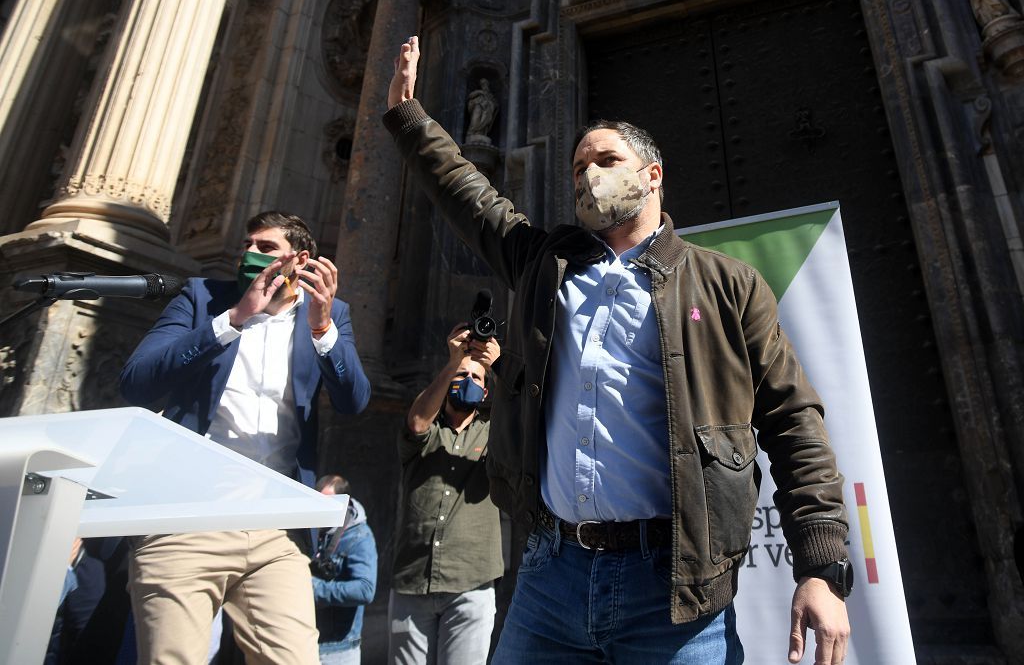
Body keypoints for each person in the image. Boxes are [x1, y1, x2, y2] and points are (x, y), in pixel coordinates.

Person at [383, 36, 852, 664]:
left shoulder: (725, 284)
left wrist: (821, 566)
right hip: (550, 579)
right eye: (578, 168)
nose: (587, 175)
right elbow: (468, 196)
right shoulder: (544, 265)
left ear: (651, 174)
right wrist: (408, 116)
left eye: (604, 159)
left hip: (676, 596)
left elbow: (794, 423)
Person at [119, 211, 371, 664]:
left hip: (275, 529)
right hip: (187, 518)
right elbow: (137, 380)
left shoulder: (333, 316)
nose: (250, 254)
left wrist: (322, 328)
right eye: (247, 245)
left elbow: (354, 400)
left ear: (300, 259)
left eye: (266, 247)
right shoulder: (202, 298)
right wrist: (234, 318)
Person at [389, 323, 503, 665]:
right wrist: (454, 360)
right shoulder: (426, 432)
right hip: (413, 580)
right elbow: (418, 423)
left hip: (470, 581)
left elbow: (527, 418)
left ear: (485, 393)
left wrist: (499, 367)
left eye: (476, 378)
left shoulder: (493, 434)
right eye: (461, 375)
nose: (467, 381)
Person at [311, 474, 378, 664]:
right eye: (318, 503)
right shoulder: (313, 531)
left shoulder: (359, 536)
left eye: (328, 504)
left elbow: (365, 590)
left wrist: (316, 590)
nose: (321, 511)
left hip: (338, 649)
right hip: (307, 641)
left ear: (344, 504)